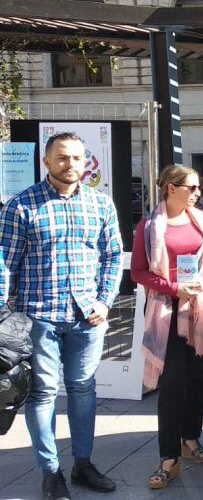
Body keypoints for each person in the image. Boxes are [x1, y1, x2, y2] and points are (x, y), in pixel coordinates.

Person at [0, 132, 123, 499]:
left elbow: (113, 256)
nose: (71, 164)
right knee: (43, 394)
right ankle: (50, 472)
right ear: (47, 162)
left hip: (88, 317)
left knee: (83, 388)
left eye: (77, 157)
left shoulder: (101, 204)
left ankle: (83, 464)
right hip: (39, 316)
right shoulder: (21, 206)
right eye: (63, 157)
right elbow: (4, 263)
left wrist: (105, 301)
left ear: (86, 161)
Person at [131, 165, 203, 489]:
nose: (198, 193)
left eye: (199, 188)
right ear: (172, 188)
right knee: (172, 383)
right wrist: (174, 288)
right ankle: (168, 456)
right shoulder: (148, 226)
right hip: (165, 311)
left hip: (200, 307)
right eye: (192, 188)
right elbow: (139, 272)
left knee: (198, 377)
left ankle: (191, 438)